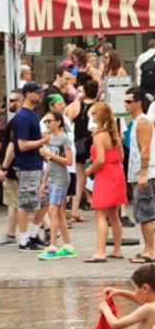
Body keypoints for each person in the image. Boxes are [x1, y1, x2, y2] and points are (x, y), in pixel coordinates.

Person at [83, 101, 126, 263]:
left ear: (100, 116)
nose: (92, 115)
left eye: (94, 113)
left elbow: (100, 159)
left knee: (100, 215)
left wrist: (90, 169)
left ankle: (100, 252)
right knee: (114, 215)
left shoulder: (99, 135)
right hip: (117, 172)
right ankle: (117, 249)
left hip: (105, 175)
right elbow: (121, 157)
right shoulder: (114, 134)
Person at [11, 81, 49, 252]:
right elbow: (22, 145)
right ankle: (24, 239)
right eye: (37, 92)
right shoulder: (23, 117)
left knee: (45, 200)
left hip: (36, 163)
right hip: (27, 165)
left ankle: (33, 234)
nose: (40, 95)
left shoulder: (32, 113)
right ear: (27, 94)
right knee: (26, 203)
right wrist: (43, 141)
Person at [37, 110, 76, 260]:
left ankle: (53, 247)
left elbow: (69, 161)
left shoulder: (64, 139)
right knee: (58, 214)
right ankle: (68, 247)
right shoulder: (51, 138)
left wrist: (50, 155)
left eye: (49, 121)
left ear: (58, 122)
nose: (47, 124)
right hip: (53, 178)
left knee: (53, 211)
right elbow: (50, 164)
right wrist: (43, 182)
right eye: (46, 121)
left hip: (61, 178)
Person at [125, 87, 155, 263]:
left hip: (147, 174)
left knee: (146, 214)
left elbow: (145, 150)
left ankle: (150, 251)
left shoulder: (143, 122)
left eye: (129, 102)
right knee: (142, 214)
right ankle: (147, 248)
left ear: (138, 103)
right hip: (140, 174)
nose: (126, 105)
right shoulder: (137, 122)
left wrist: (142, 174)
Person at [0, 89, 24, 247]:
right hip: (20, 167)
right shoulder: (25, 119)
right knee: (19, 201)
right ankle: (11, 234)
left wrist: (4, 167)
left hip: (14, 167)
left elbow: (12, 146)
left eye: (11, 100)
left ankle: (12, 234)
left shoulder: (17, 121)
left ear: (20, 101)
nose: (8, 104)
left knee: (16, 201)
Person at [66, 78, 98, 223]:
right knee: (98, 177)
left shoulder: (75, 106)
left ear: (84, 91)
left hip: (77, 145)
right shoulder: (98, 107)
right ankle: (101, 208)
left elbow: (66, 119)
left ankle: (74, 212)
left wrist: (77, 100)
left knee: (79, 181)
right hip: (93, 146)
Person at [99, 265, 155, 329]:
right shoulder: (152, 305)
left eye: (134, 289)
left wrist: (106, 310)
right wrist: (118, 292)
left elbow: (116, 325)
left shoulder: (148, 308)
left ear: (145, 288)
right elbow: (138, 299)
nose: (134, 292)